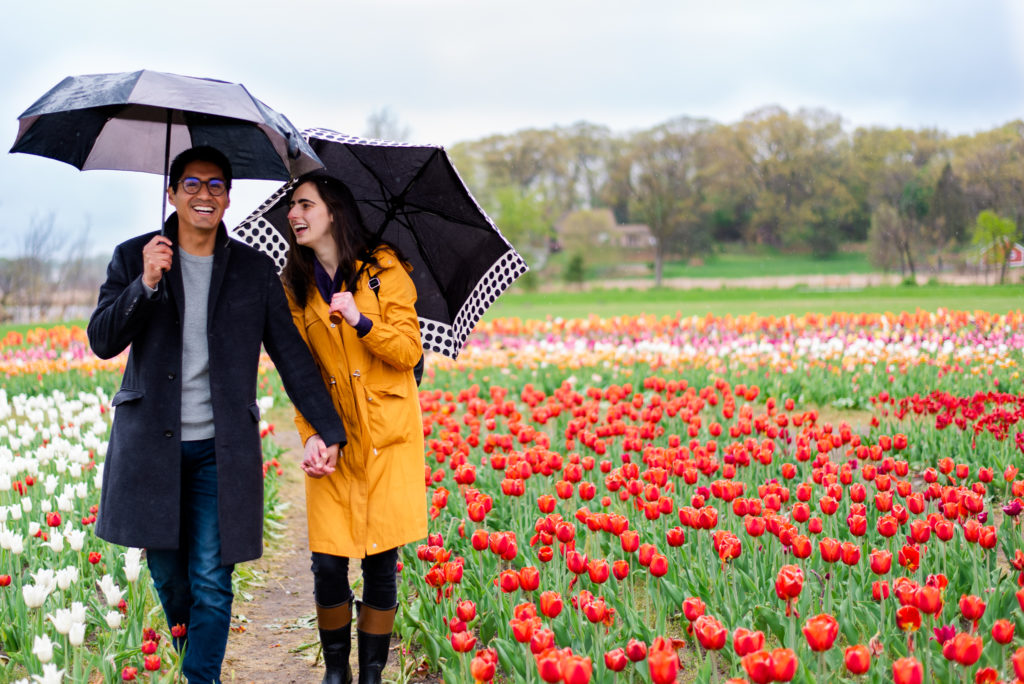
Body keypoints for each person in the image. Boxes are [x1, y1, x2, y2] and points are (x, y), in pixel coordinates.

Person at [87, 146, 347, 684]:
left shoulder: (253, 271)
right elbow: (102, 340)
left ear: (228, 197)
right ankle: (196, 662)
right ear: (172, 192)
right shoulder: (135, 255)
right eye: (191, 184)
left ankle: (199, 679)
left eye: (215, 186)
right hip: (151, 449)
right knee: (171, 580)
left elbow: (291, 355)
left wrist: (329, 428)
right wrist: (146, 284)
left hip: (219, 450)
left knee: (210, 578)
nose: (203, 194)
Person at [281, 172, 427, 684]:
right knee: (327, 560)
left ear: (334, 211)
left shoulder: (384, 270)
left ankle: (371, 675)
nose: (293, 215)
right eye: (290, 206)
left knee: (381, 559)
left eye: (304, 204)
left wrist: (362, 321)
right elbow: (301, 373)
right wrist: (312, 435)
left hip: (388, 436)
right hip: (335, 438)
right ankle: (336, 672)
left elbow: (410, 352)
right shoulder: (295, 287)